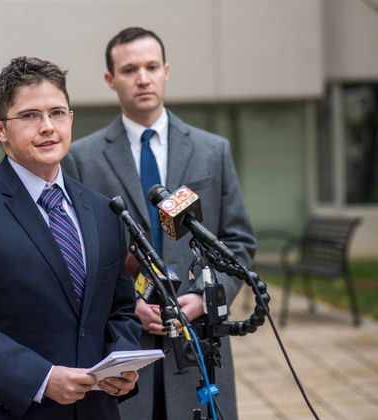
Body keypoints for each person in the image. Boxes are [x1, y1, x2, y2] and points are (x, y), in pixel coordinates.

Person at [0, 56, 143, 420]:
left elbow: (119, 307)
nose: (47, 127)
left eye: (57, 113)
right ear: (0, 129)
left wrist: (122, 358)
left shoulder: (105, 212)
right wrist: (41, 378)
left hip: (92, 411)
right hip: (3, 410)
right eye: (29, 116)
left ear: (71, 119)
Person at [62, 27, 256, 420]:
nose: (143, 78)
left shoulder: (212, 150)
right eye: (129, 69)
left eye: (151, 66)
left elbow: (238, 241)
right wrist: (129, 304)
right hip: (124, 346)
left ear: (166, 71)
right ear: (110, 79)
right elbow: (76, 258)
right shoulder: (81, 159)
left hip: (201, 345)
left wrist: (206, 299)